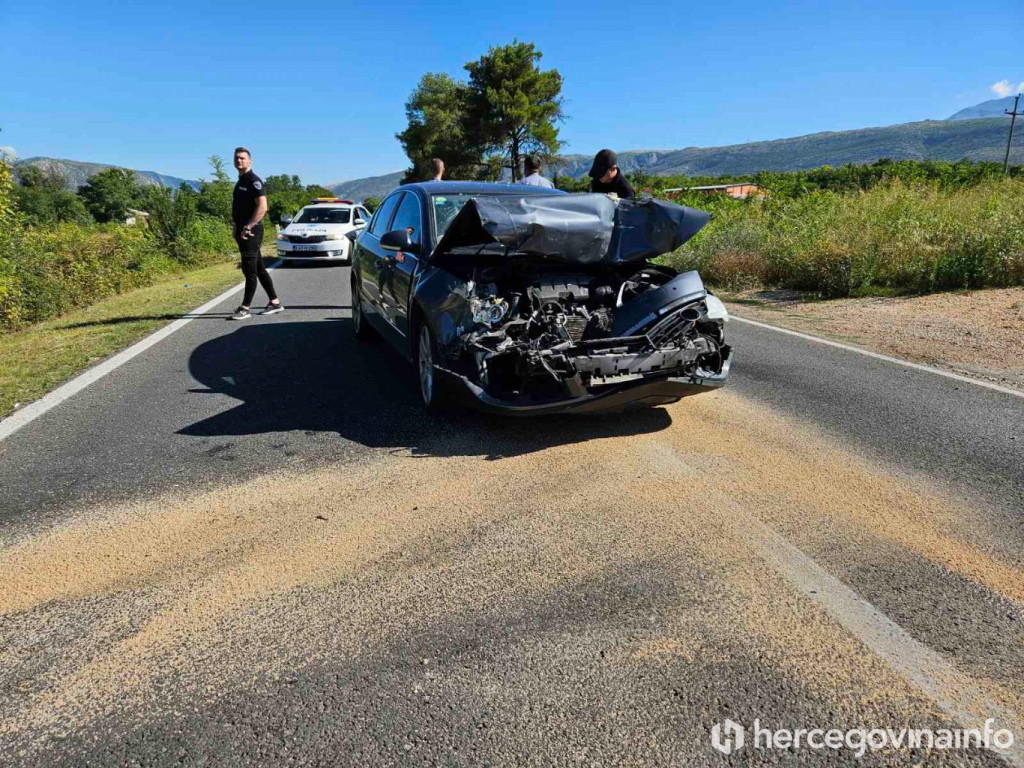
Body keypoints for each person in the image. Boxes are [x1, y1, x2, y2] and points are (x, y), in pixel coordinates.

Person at [229, 147, 283, 320]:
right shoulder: (240, 181)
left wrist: (249, 226)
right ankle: (275, 302)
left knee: (249, 270)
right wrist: (237, 227)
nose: (239, 161)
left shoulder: (253, 181)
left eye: (243, 158)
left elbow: (263, 206)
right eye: (237, 158)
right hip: (242, 230)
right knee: (259, 269)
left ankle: (245, 308)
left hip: (251, 232)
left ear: (250, 161)